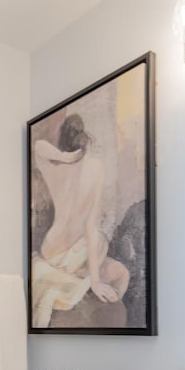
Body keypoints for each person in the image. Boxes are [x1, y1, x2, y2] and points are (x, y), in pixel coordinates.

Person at [31, 113, 129, 328]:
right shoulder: (95, 168)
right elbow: (90, 227)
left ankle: (81, 288)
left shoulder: (52, 166)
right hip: (75, 252)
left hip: (51, 249)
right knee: (118, 269)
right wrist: (95, 281)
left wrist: (63, 158)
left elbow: (38, 146)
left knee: (117, 269)